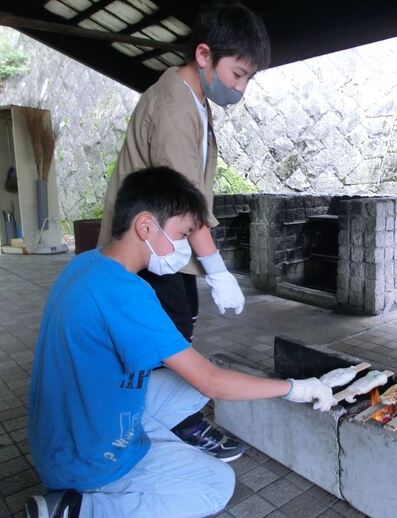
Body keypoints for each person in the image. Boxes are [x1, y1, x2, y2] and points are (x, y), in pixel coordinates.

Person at [25, 168, 336, 518]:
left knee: (191, 386)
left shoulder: (86, 264)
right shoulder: (127, 293)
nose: (183, 247)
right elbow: (211, 381)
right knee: (216, 484)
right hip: (81, 460)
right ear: (145, 226)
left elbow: (199, 379)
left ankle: (147, 441)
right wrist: (293, 388)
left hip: (58, 432)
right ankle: (80, 508)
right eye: (181, 233)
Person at [96, 1, 271, 458]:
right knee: (166, 340)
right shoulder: (176, 105)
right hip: (150, 250)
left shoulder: (195, 96)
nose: (241, 88)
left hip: (162, 247)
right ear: (204, 55)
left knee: (171, 332)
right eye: (238, 74)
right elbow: (183, 201)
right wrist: (217, 269)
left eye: (249, 78)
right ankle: (167, 427)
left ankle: (165, 420)